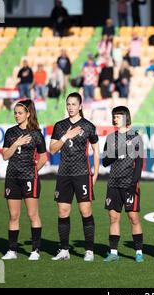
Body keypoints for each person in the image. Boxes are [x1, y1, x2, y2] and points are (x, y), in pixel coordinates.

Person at [50, 93, 100, 261]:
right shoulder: (59, 126)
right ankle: (64, 250)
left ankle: (89, 251)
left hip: (82, 174)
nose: (70, 107)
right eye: (68, 104)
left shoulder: (88, 126)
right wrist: (66, 136)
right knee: (63, 211)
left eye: (73, 104)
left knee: (85, 211)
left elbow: (96, 151)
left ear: (80, 106)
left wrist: (96, 173)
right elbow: (52, 149)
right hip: (64, 174)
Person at [1, 99, 48, 261]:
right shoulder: (10, 132)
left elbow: (43, 158)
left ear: (28, 114)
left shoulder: (36, 134)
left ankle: (35, 251)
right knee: (13, 215)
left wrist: (33, 171)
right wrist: (17, 143)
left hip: (29, 178)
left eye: (20, 113)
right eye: (15, 113)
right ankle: (12, 250)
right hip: (12, 178)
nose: (17, 116)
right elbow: (5, 155)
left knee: (32, 214)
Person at [102, 106, 144, 263]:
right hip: (113, 182)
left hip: (129, 183)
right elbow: (105, 161)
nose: (115, 118)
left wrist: (134, 183)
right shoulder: (110, 138)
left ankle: (139, 252)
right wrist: (118, 152)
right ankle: (113, 252)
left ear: (126, 118)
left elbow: (139, 163)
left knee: (133, 217)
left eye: (118, 116)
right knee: (113, 218)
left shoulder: (135, 138)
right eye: (114, 116)